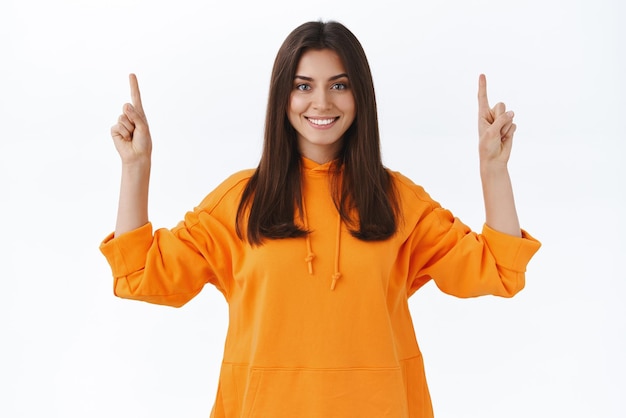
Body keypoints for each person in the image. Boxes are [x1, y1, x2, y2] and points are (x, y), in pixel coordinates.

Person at [100, 20, 541, 418]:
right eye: (304, 86)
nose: (322, 102)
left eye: (340, 85)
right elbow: (140, 274)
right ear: (283, 96)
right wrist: (135, 168)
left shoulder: (398, 202)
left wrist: (493, 170)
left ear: (360, 95)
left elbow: (498, 271)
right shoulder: (240, 202)